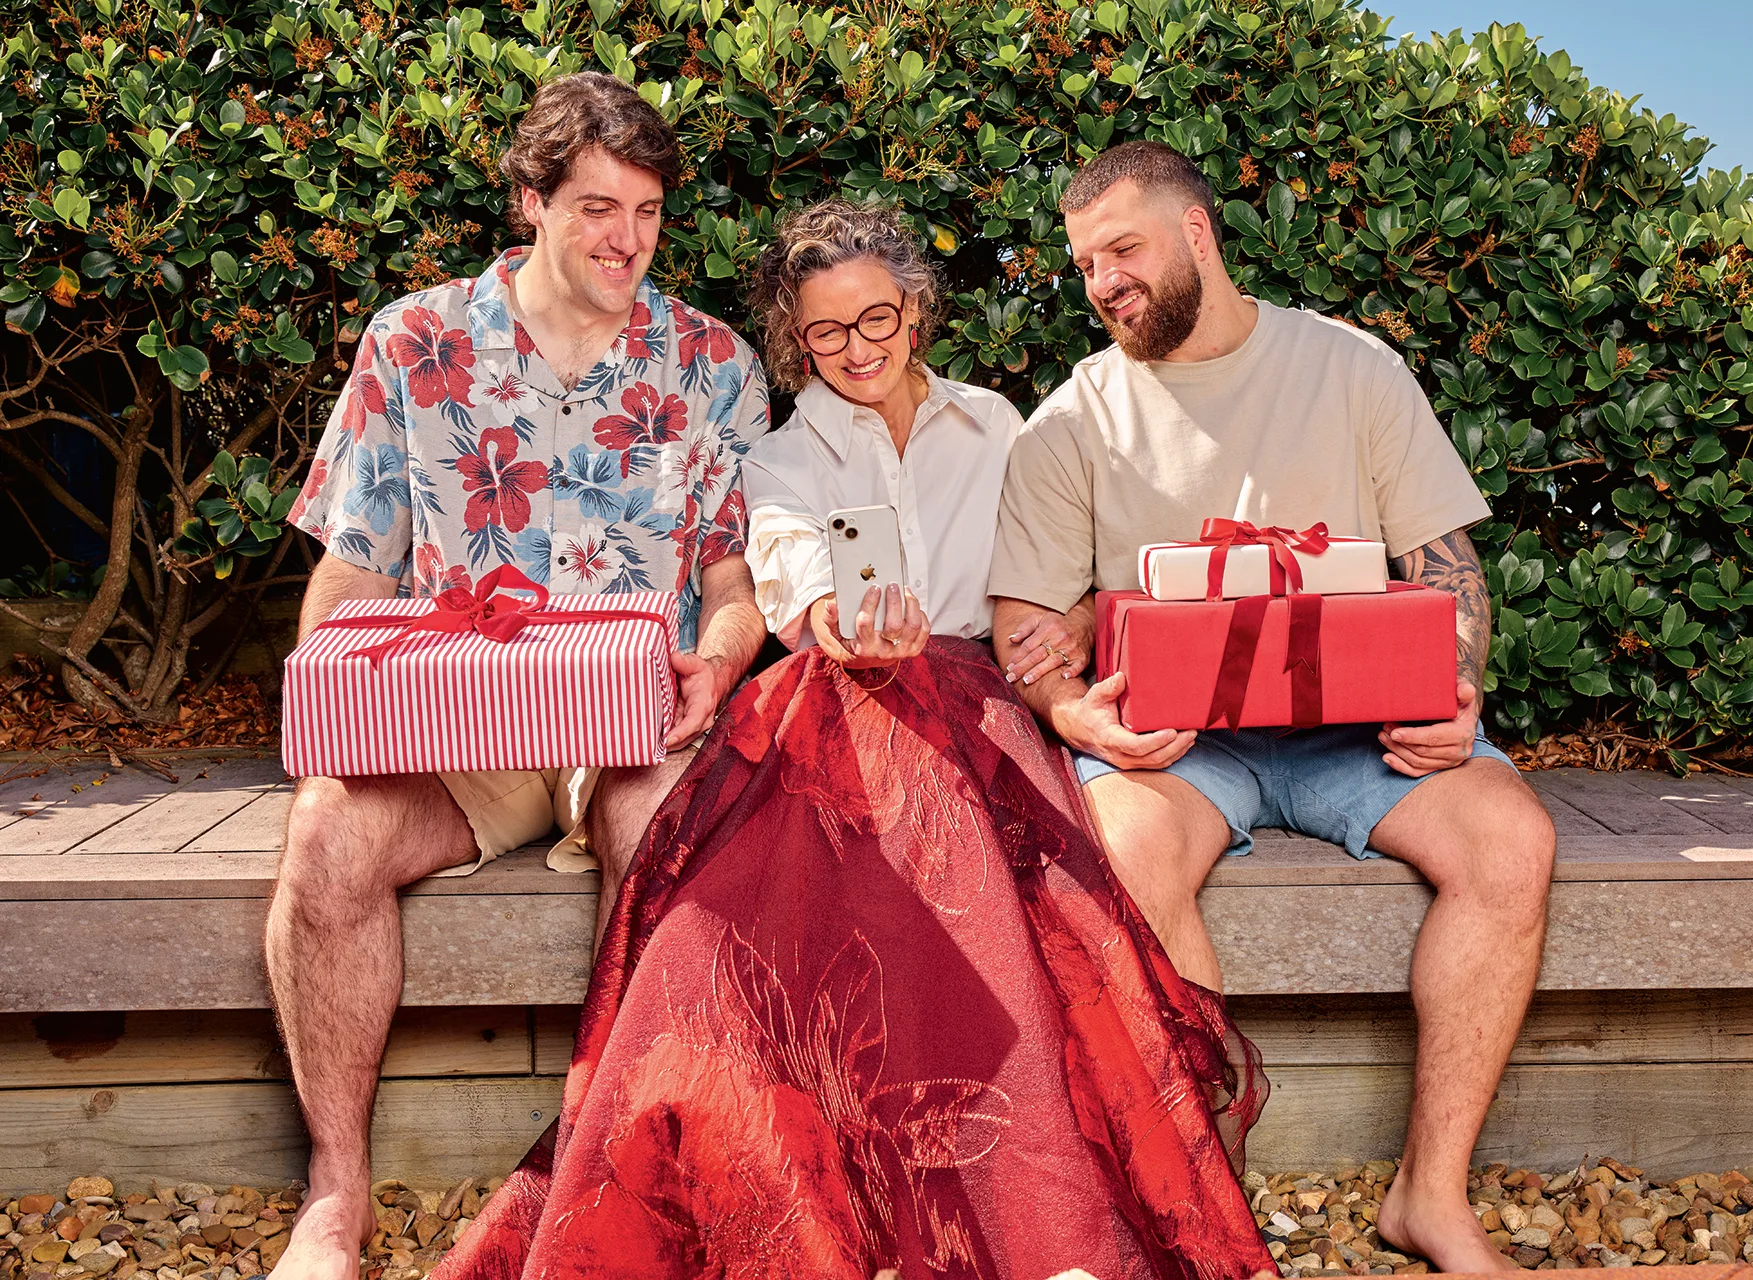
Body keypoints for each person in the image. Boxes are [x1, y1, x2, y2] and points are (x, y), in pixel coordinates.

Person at [434, 199, 1278, 1279]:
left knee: (980, 867)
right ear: (797, 337)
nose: (857, 348)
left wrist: (1053, 635)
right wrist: (833, 616)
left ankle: (1024, 1220)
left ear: (915, 308)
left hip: (979, 713)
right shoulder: (783, 456)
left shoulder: (1002, 425)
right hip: (833, 708)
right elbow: (790, 572)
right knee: (734, 923)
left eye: (876, 318)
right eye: (827, 332)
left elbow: (1066, 576)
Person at [988, 141, 1558, 1273]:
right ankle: (1204, 1208)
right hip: (1176, 742)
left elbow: (1447, 567)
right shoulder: (1069, 420)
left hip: (1361, 730)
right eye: (1085, 263)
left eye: (1123, 249)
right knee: (1128, 849)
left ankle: (1429, 1197)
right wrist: (1073, 716)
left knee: (1512, 839)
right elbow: (1021, 626)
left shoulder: (1351, 368)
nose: (1102, 281)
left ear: (1199, 233)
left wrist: (1457, 689)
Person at [266, 74, 770, 1280]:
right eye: (598, 206)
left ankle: (626, 1181)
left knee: (666, 830)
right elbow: (350, 564)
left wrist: (718, 660)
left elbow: (736, 578)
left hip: (629, 716)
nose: (627, 239)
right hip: (459, 718)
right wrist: (333, 684)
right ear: (530, 200)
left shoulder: (709, 361)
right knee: (326, 832)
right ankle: (336, 1195)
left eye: (648, 212)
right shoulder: (416, 338)